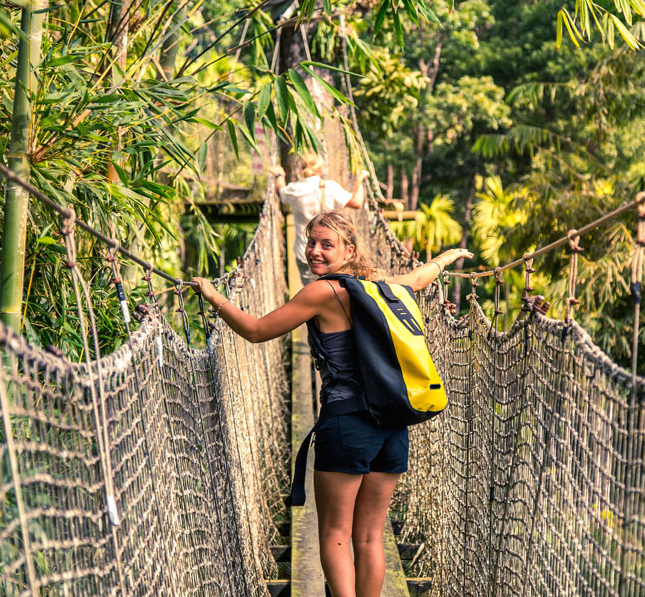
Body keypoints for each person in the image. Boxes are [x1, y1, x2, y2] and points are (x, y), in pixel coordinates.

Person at [192, 210, 472, 597]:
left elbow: (257, 331)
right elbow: (418, 280)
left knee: (335, 533)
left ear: (348, 249)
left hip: (347, 427)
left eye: (327, 244)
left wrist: (213, 296)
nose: (315, 252)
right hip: (392, 428)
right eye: (311, 242)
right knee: (371, 536)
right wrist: (444, 259)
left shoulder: (321, 292)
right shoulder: (379, 287)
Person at [268, 153, 369, 285]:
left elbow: (281, 191)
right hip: (331, 252)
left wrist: (279, 176)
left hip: (305, 251)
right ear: (320, 169)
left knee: (311, 290)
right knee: (332, 290)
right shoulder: (329, 187)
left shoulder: (294, 188)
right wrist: (358, 181)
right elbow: (356, 202)